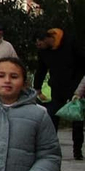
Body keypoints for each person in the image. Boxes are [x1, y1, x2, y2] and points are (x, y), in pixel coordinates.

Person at [34, 27, 84, 161]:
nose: (39, 46)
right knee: (52, 117)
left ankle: (77, 150)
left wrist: (79, 88)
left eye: (40, 43)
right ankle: (50, 149)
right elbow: (41, 69)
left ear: (47, 39)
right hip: (56, 87)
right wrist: (37, 87)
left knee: (77, 119)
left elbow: (82, 63)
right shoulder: (44, 52)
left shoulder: (69, 42)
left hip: (74, 86)